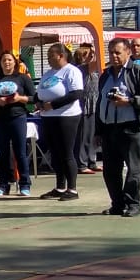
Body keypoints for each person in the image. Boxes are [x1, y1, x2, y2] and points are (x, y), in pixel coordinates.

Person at [95, 37, 140, 217]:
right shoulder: (105, 75)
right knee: (110, 171)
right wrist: (98, 130)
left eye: (118, 52)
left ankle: (133, 204)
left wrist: (129, 101)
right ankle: (117, 203)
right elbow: (100, 102)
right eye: (111, 52)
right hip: (109, 129)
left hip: (131, 127)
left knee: (134, 168)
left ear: (128, 52)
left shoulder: (139, 71)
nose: (114, 56)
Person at [35, 43, 85, 201]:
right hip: (48, 117)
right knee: (55, 153)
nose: (49, 58)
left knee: (66, 153)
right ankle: (60, 186)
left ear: (61, 56)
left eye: (51, 55)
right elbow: (40, 92)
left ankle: (72, 188)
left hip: (67, 116)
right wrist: (38, 102)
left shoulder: (71, 71)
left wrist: (53, 104)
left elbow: (76, 93)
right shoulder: (48, 73)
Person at [0, 49, 37, 197]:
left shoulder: (22, 78)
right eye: (4, 60)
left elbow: (34, 97)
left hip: (18, 118)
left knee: (20, 152)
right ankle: (3, 185)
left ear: (15, 62)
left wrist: (20, 99)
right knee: (3, 153)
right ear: (0, 64)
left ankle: (25, 184)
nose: (7, 63)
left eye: (9, 60)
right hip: (0, 120)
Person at [73, 44, 101, 175]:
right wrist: (95, 50)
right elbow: (95, 62)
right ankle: (82, 164)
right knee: (84, 135)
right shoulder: (80, 69)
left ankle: (92, 160)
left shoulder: (92, 71)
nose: (91, 56)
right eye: (87, 54)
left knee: (92, 135)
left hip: (94, 104)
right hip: (84, 106)